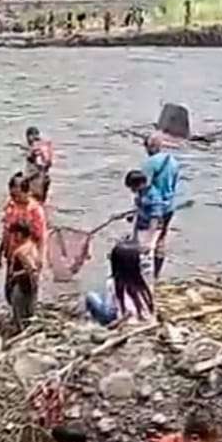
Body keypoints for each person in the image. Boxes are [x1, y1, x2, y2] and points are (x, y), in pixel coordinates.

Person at [85, 239, 155, 327]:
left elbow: (110, 308)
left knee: (90, 296)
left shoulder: (114, 284)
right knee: (105, 296)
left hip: (123, 320)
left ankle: (91, 322)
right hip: (142, 317)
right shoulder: (142, 281)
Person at [142, 132, 180, 280]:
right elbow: (175, 184)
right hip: (169, 206)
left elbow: (144, 187)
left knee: (147, 240)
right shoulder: (173, 162)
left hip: (153, 207)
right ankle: (157, 274)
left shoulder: (149, 164)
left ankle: (145, 275)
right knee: (161, 239)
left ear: (148, 147)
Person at [0, 172, 47, 272]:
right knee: (10, 284)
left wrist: (40, 258)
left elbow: (41, 237)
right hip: (11, 253)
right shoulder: (11, 206)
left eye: (17, 196)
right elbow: (6, 232)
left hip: (28, 255)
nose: (15, 199)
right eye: (12, 195)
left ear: (26, 192)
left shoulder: (34, 211)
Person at [125, 169, 164, 283]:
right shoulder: (141, 193)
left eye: (133, 187)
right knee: (136, 252)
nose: (132, 190)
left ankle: (147, 281)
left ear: (141, 184)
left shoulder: (154, 197)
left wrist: (148, 241)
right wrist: (131, 215)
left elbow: (155, 219)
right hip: (140, 225)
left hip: (150, 229)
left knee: (146, 256)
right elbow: (139, 206)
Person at [5, 219, 41, 329]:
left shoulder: (21, 252)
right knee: (29, 309)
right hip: (31, 284)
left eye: (16, 234)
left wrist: (15, 275)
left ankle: (20, 330)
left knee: (18, 311)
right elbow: (37, 267)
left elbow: (31, 268)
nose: (14, 237)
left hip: (20, 284)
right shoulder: (32, 246)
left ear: (21, 234)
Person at [24, 126, 53, 204]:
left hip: (37, 178)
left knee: (35, 200)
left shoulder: (36, 148)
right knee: (41, 201)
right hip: (44, 177)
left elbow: (40, 165)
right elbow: (48, 162)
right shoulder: (45, 146)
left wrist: (27, 178)